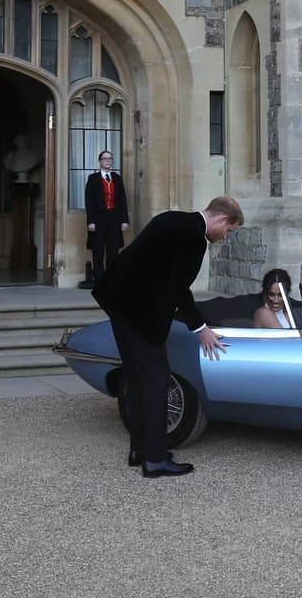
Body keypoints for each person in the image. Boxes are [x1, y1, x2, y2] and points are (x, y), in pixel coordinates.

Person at [93, 196, 243, 478]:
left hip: (118, 302)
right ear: (222, 219)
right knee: (156, 382)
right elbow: (178, 289)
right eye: (229, 230)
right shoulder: (194, 238)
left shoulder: (171, 219)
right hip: (140, 313)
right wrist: (201, 329)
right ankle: (156, 459)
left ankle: (139, 450)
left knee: (137, 380)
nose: (225, 237)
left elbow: (141, 262)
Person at [83, 150, 129, 286]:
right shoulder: (93, 179)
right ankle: (99, 280)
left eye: (110, 159)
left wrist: (124, 220)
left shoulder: (117, 178)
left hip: (114, 218)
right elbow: (89, 201)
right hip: (98, 218)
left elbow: (123, 200)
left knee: (113, 250)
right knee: (98, 250)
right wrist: (90, 221)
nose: (108, 161)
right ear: (100, 162)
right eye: (105, 159)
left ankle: (111, 280)